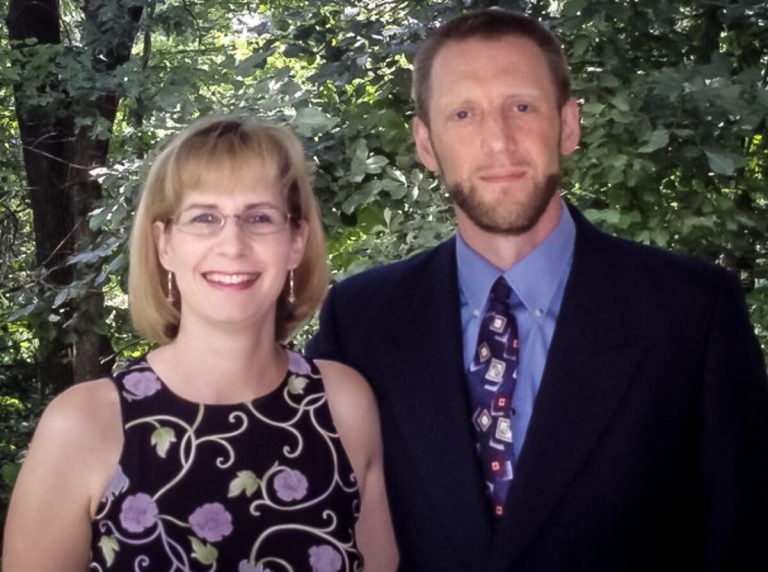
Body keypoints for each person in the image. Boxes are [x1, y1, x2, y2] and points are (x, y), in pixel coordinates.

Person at [307, 9, 768, 572]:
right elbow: (315, 527)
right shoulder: (360, 321)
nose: (498, 141)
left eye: (521, 107)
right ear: (426, 144)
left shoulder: (693, 313)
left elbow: (742, 539)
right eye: (463, 113)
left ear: (568, 125)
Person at [3, 116, 398, 571]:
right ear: (164, 244)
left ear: (296, 242)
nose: (233, 244)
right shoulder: (82, 425)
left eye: (259, 217)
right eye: (204, 217)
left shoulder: (344, 405)